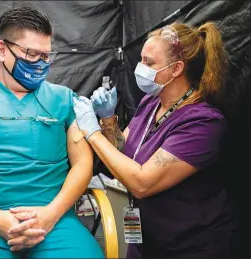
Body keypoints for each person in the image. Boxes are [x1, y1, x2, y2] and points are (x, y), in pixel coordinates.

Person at [0, 6, 104, 259]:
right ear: (3, 50)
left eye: (46, 55)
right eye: (31, 54)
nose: (40, 63)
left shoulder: (64, 100)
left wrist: (50, 215)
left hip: (57, 223)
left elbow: (83, 165)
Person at [73, 22, 236, 258]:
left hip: (191, 244)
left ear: (177, 68)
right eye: (140, 60)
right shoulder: (151, 102)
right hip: (146, 238)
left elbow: (141, 184)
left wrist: (92, 133)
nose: (140, 68)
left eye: (149, 63)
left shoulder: (202, 123)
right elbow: (123, 149)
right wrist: (108, 120)